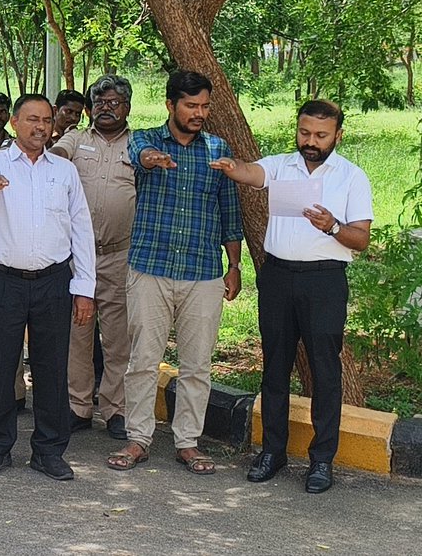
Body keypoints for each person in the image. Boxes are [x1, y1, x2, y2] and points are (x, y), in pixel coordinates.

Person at [210, 99, 372, 494]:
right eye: (304, 133)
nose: (310, 142)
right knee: (276, 366)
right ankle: (273, 452)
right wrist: (233, 168)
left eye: (320, 135)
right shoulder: (283, 165)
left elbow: (362, 239)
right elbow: (253, 174)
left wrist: (332, 226)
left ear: (338, 135)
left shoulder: (351, 176)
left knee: (324, 371)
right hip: (279, 276)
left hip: (325, 281)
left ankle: (321, 461)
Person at [107, 71, 243, 476]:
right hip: (151, 268)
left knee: (197, 364)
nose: (199, 113)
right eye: (191, 106)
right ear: (171, 105)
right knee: (143, 360)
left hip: (203, 273)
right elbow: (139, 156)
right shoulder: (146, 139)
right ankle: (138, 439)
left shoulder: (218, 149)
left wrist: (234, 266)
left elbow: (230, 214)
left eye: (204, 106)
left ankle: (188, 442)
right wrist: (153, 160)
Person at [0, 94, 96, 480]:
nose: (40, 127)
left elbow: (81, 229)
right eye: (31, 119)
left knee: (51, 367)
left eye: (46, 120)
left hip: (53, 282)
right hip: (3, 281)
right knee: (0, 365)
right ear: (14, 122)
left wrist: (84, 287)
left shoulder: (63, 170)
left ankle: (48, 450)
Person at [50, 75, 136, 441]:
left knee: (118, 337)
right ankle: (78, 406)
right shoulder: (75, 140)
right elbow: (49, 159)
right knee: (77, 334)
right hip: (77, 257)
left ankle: (115, 409)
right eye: (99, 103)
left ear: (127, 107)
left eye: (114, 103)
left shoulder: (140, 144)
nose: (106, 108)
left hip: (121, 254)